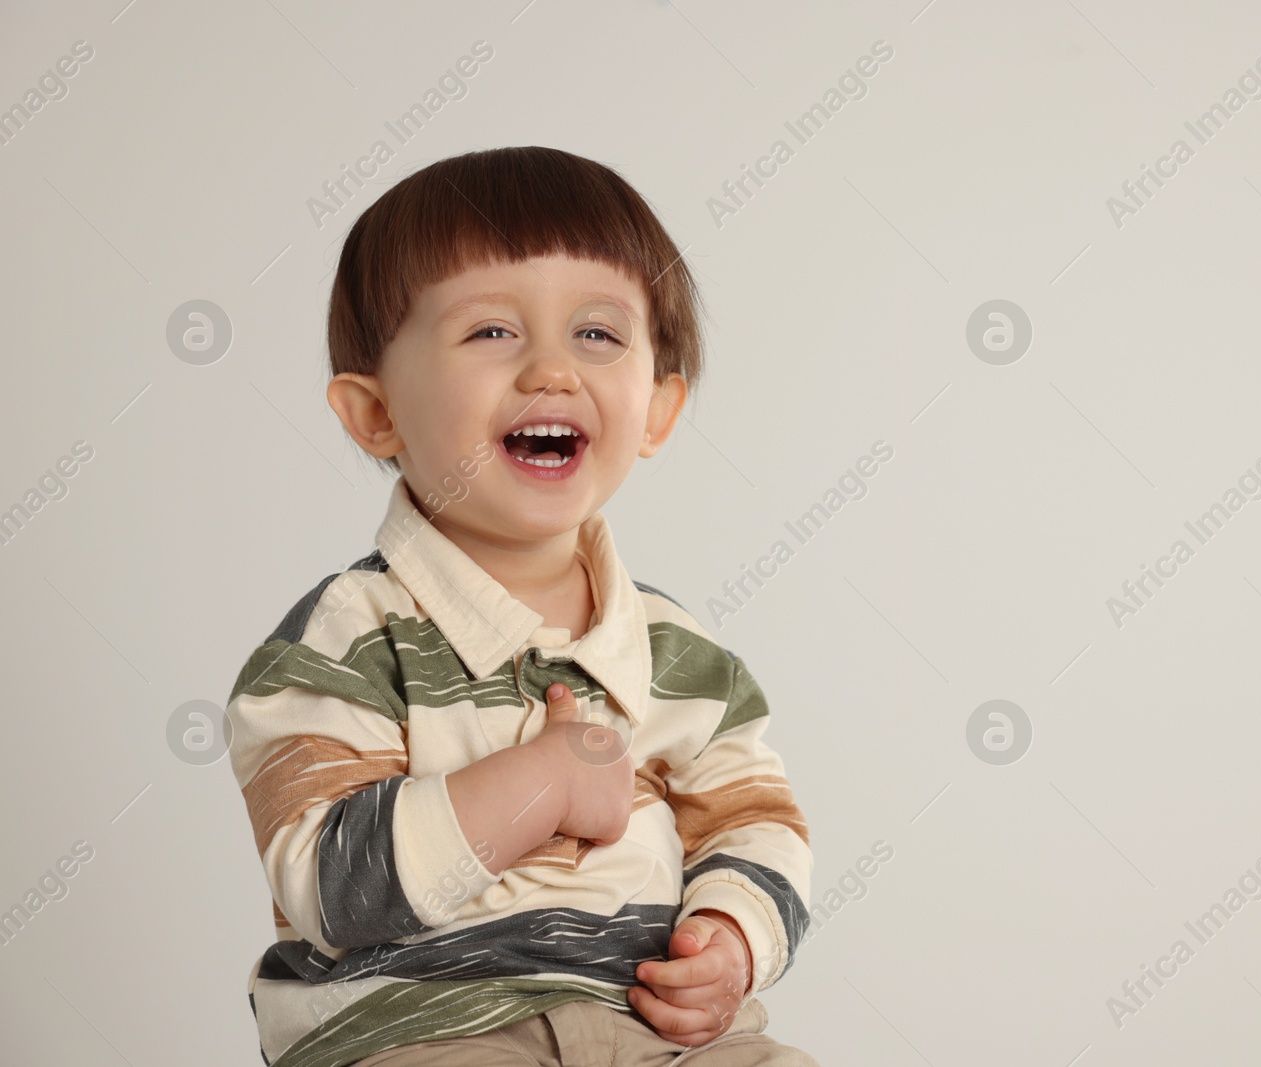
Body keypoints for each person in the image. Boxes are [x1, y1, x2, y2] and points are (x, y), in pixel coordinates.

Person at [224, 146, 817, 1067]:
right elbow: (331, 886)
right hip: (423, 1025)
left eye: (597, 334)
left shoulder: (679, 654)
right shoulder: (343, 639)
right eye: (492, 333)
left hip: (655, 1029)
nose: (552, 369)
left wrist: (731, 941)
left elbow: (755, 824)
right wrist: (538, 783)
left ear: (658, 409)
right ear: (376, 413)